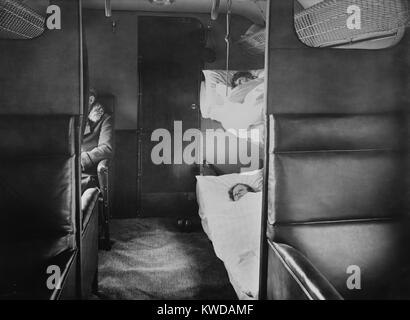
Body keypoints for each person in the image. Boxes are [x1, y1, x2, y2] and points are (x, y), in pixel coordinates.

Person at [81, 88, 114, 192]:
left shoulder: (106, 119)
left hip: (88, 171)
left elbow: (107, 148)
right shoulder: (74, 118)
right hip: (69, 169)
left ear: (90, 100)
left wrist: (82, 160)